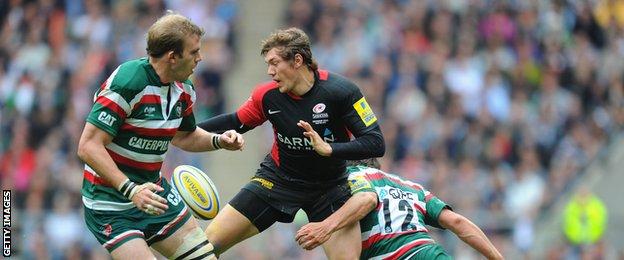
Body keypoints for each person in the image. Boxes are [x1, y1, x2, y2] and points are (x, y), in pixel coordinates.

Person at [197, 27, 385, 258]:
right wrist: (183, 130)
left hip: (330, 188)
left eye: (275, 63)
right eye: (268, 64)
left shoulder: (342, 91)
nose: (269, 71)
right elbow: (235, 121)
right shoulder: (266, 95)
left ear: (297, 60)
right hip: (276, 181)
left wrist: (329, 149)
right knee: (203, 248)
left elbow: (376, 143)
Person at [77, 12, 244, 260]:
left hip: (154, 195)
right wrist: (132, 190)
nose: (200, 57)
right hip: (110, 204)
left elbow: (183, 136)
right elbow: (88, 146)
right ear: (172, 57)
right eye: (194, 52)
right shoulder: (129, 81)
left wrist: (218, 140)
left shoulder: (184, 88)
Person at [295, 158, 503, 260]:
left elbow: (365, 199)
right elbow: (457, 222)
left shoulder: (352, 176)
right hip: (430, 254)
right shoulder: (413, 187)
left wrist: (324, 227)